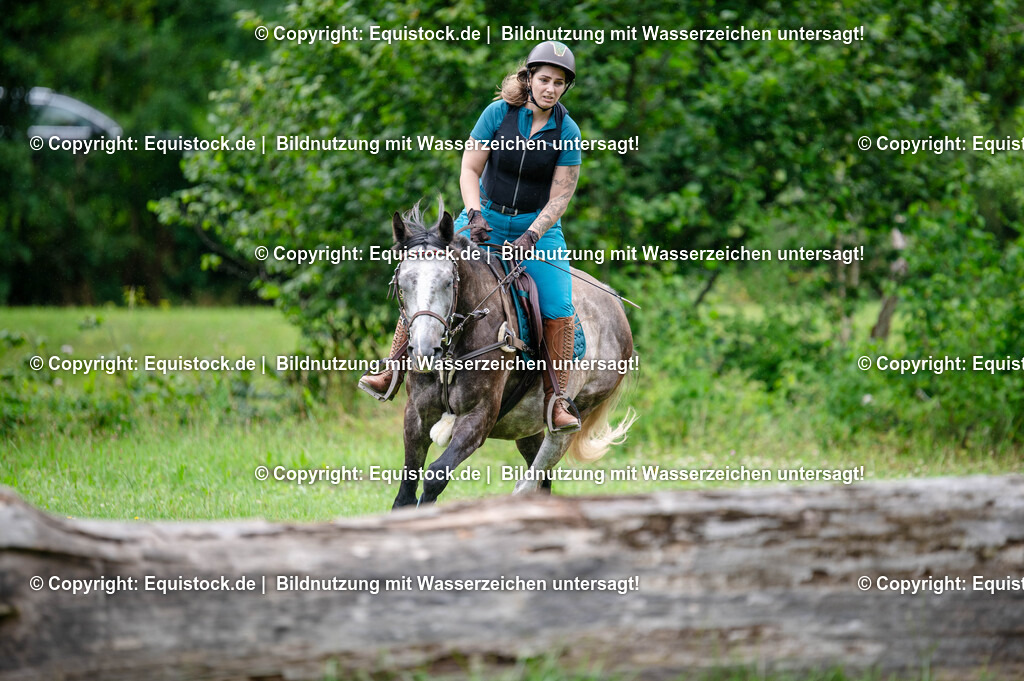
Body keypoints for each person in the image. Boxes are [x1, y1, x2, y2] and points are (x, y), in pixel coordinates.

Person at [360, 41, 582, 433]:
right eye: (544, 79)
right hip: (485, 216)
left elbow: (562, 194)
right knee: (428, 272)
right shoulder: (497, 114)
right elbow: (469, 169)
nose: (550, 88)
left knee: (558, 305)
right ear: (529, 78)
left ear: (566, 87)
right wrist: (475, 213)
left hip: (538, 228)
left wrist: (532, 234)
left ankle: (557, 401)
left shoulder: (567, 130)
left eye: (559, 83)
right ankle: (392, 369)